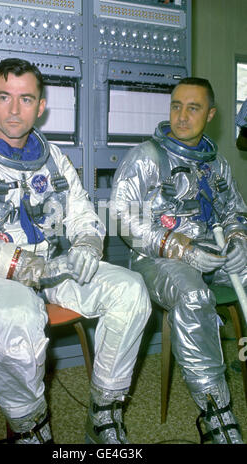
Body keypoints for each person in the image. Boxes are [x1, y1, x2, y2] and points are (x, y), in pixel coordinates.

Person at [0, 58, 151, 444]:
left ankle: (104, 412)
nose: (13, 109)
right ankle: (31, 428)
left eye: (26, 99)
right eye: (4, 97)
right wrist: (19, 264)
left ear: (41, 107)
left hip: (53, 265)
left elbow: (82, 213)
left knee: (131, 289)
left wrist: (89, 243)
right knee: (15, 315)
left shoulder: (53, 158)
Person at [110, 77, 247, 444]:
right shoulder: (146, 157)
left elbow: (235, 212)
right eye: (176, 106)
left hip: (212, 252)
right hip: (157, 258)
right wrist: (181, 249)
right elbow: (123, 219)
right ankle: (216, 412)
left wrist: (238, 244)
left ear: (211, 114)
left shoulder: (215, 163)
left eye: (193, 108)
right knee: (193, 297)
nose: (182, 116)